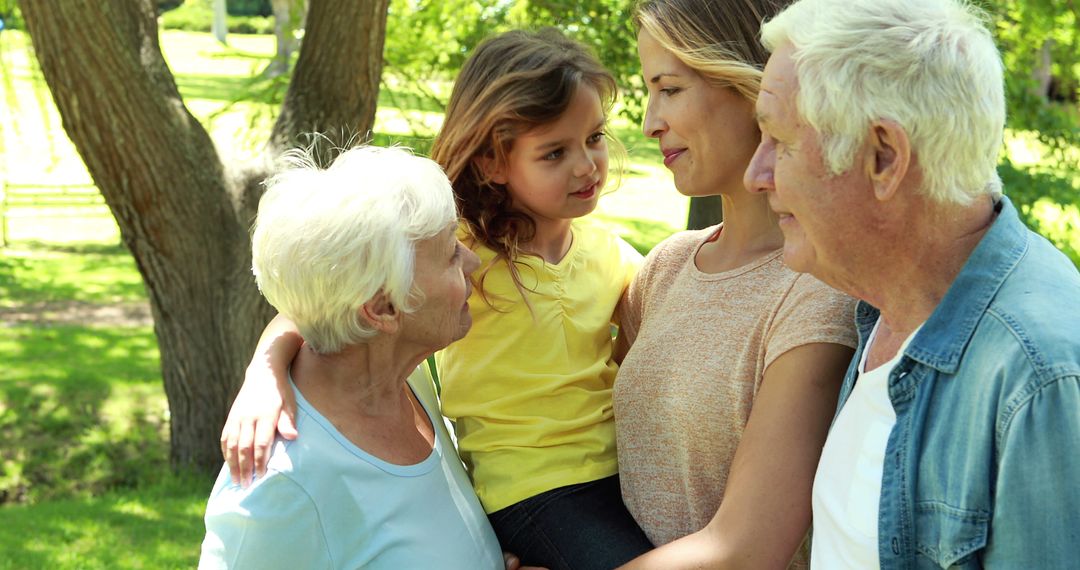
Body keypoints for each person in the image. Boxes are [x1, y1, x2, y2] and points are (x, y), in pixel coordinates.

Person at [220, 29, 652, 570]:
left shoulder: (609, 253)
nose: (588, 165)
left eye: (594, 138)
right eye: (554, 152)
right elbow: (315, 307)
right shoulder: (462, 248)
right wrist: (264, 375)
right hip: (534, 491)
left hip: (616, 472)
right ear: (494, 161)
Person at [746, 0, 1080, 566]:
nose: (757, 174)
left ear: (884, 157)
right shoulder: (883, 301)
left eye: (780, 141)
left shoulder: (1041, 377)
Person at [613, 1, 858, 567]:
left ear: (749, 84)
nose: (650, 121)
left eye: (669, 89)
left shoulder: (818, 288)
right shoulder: (665, 268)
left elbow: (746, 549)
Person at [198, 145, 503, 569]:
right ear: (382, 310)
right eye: (451, 253)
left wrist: (265, 362)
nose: (471, 261)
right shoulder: (281, 485)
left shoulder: (404, 377)